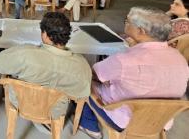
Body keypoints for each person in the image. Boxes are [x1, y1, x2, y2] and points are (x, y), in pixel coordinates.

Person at [78, 8, 189, 139]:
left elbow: (94, 74)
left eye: (127, 21)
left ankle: (89, 125)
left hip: (125, 121)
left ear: (141, 31)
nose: (125, 23)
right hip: (161, 121)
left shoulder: (123, 60)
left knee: (86, 83)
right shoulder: (180, 58)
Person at [0, 12, 91, 134]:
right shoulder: (82, 66)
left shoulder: (26, 54)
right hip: (55, 111)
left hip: (22, 103)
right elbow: (83, 95)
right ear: (67, 36)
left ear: (45, 35)